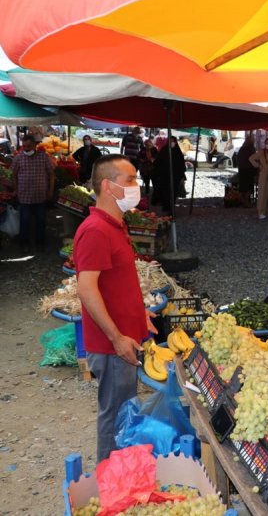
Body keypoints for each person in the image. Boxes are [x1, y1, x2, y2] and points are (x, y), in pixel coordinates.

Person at [74, 154, 158, 462]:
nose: (137, 186)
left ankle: (122, 473)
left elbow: (115, 283)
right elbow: (86, 288)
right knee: (115, 416)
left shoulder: (115, 225)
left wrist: (138, 314)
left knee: (125, 412)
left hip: (124, 338)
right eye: (130, 179)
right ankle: (109, 478)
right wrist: (116, 337)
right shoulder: (95, 230)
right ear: (109, 186)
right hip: (112, 347)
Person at [11, 134, 54, 250]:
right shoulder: (18, 158)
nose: (26, 149)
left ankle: (40, 243)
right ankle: (24, 243)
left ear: (35, 145)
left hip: (40, 196)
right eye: (24, 146)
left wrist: (50, 191)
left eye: (29, 146)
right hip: (24, 196)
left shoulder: (44, 157)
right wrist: (16, 189)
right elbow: (13, 175)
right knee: (24, 221)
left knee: (41, 221)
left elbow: (51, 174)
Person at [154, 136, 186, 215]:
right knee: (165, 192)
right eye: (170, 141)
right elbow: (157, 162)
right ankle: (166, 207)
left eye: (173, 141)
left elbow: (182, 165)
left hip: (175, 176)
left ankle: (171, 208)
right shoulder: (164, 150)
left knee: (173, 192)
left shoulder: (178, 152)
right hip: (164, 176)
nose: (172, 143)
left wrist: (181, 175)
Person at [249, 136, 268, 220]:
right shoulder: (261, 152)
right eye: (266, 143)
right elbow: (251, 158)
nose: (267, 145)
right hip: (264, 174)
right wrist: (258, 165)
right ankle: (261, 212)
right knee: (263, 193)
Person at [236, 133, 257, 205]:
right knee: (249, 186)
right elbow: (253, 158)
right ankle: (245, 201)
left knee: (243, 186)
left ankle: (242, 199)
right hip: (249, 169)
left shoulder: (242, 148)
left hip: (242, 169)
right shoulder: (251, 148)